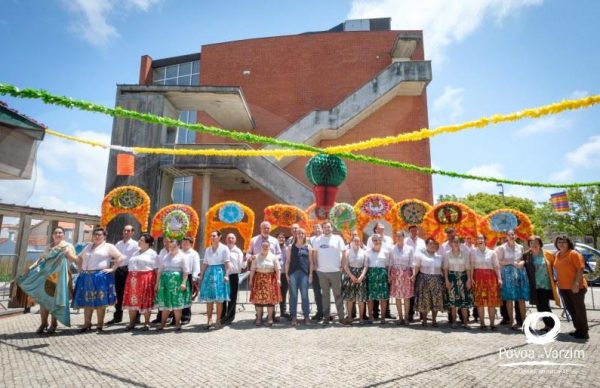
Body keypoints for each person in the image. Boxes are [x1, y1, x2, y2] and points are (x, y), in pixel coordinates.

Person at [23, 226, 77, 334]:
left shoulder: (68, 246)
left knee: (55, 302)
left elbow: (71, 260)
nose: (58, 234)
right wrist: (31, 268)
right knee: (43, 301)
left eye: (60, 232)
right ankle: (44, 323)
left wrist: (67, 254)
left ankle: (53, 324)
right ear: (52, 235)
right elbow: (41, 260)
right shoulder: (49, 246)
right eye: (56, 232)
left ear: (63, 234)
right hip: (46, 277)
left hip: (60, 278)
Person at [73, 227, 124, 333]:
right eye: (95, 234)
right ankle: (87, 323)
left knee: (100, 301)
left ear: (104, 236)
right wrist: (79, 270)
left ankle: (100, 324)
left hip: (100, 276)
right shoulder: (88, 246)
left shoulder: (108, 246)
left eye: (99, 234)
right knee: (87, 300)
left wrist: (112, 269)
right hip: (86, 276)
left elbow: (120, 257)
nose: (97, 236)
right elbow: (79, 258)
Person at [551, 235, 589, 340]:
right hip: (563, 287)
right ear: (556, 244)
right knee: (572, 310)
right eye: (559, 242)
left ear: (568, 243)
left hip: (576, 287)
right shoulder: (557, 255)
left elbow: (580, 269)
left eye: (564, 242)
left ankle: (584, 332)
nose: (561, 244)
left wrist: (576, 283)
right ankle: (578, 329)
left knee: (579, 309)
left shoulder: (573, 254)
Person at [522, 235, 561, 332]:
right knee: (539, 306)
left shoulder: (547, 254)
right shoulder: (527, 255)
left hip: (546, 284)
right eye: (531, 243)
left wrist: (558, 279)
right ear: (529, 245)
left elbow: (556, 266)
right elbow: (522, 264)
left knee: (544, 305)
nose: (534, 245)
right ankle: (548, 325)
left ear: (540, 244)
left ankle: (552, 325)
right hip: (534, 285)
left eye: (536, 243)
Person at [122, 233, 158, 331]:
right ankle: (131, 322)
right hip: (133, 278)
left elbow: (156, 269)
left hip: (145, 278)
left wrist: (156, 282)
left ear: (147, 243)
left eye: (141, 240)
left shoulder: (152, 253)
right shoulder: (136, 252)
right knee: (132, 300)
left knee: (145, 300)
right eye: (139, 240)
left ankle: (146, 323)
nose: (139, 241)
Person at [154, 237, 191, 332]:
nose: (171, 249)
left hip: (177, 283)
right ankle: (162, 323)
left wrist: (183, 283)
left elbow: (186, 271)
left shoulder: (183, 256)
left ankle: (178, 324)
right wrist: (157, 284)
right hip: (165, 284)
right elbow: (160, 271)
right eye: (170, 247)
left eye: (173, 247)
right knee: (165, 303)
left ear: (178, 246)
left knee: (177, 304)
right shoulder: (166, 256)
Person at [313, 221, 346, 325]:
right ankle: (326, 317)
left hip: (335, 271)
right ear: (322, 229)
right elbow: (314, 253)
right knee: (325, 295)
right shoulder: (318, 240)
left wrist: (342, 265)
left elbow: (344, 252)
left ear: (332, 228)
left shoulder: (338, 238)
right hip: (322, 272)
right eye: (325, 227)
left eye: (328, 227)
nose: (327, 229)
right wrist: (315, 266)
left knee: (338, 294)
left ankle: (341, 317)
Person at [496, 230, 529, 330]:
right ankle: (510, 321)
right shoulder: (501, 248)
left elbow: (523, 258)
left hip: (519, 274)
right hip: (507, 275)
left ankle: (523, 321)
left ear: (515, 235)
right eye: (509, 234)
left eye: (513, 234)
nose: (511, 236)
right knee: (509, 299)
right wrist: (511, 261)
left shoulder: (520, 247)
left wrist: (522, 263)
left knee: (521, 298)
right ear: (506, 236)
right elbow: (498, 262)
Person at [199, 230, 231, 330]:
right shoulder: (208, 249)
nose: (212, 237)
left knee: (219, 299)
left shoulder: (224, 248)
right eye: (211, 236)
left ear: (219, 237)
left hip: (219, 273)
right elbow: (205, 263)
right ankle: (209, 319)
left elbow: (227, 264)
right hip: (209, 274)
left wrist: (226, 275)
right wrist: (201, 275)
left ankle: (218, 320)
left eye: (214, 235)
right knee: (209, 299)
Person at [108, 224, 139, 325]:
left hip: (130, 270)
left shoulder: (135, 244)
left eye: (129, 231)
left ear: (132, 233)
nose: (126, 232)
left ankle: (136, 317)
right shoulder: (118, 244)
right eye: (125, 230)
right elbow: (115, 256)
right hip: (119, 270)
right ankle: (117, 316)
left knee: (133, 293)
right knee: (118, 293)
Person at [471, 234, 502, 330]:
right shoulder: (473, 253)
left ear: (485, 240)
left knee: (491, 302)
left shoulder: (492, 253)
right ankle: (482, 324)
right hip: (478, 278)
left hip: (491, 279)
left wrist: (499, 278)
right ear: (476, 241)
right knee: (480, 302)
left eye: (482, 238)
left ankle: (492, 324)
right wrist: (471, 278)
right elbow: (471, 266)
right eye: (478, 238)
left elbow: (496, 266)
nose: (480, 240)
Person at [412, 238, 445, 327]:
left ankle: (434, 320)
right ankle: (425, 320)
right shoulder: (421, 255)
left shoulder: (439, 257)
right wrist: (414, 276)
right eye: (430, 244)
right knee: (424, 300)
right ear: (426, 245)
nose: (432, 245)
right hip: (424, 280)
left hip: (437, 280)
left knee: (436, 300)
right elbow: (417, 267)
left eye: (434, 244)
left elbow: (443, 269)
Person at [249, 240, 282, 326]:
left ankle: (270, 318)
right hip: (259, 280)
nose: (265, 247)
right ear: (261, 247)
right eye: (263, 246)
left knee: (270, 301)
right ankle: (259, 318)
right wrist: (250, 280)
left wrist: (278, 279)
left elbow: (278, 269)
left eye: (267, 246)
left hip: (270, 280)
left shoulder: (274, 257)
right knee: (258, 300)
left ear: (269, 247)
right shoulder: (255, 257)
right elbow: (252, 269)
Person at [443, 237, 473, 329]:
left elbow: (468, 268)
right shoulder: (447, 254)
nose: (455, 243)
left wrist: (469, 280)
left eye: (457, 242)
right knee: (452, 302)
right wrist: (446, 280)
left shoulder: (465, 254)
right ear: (451, 244)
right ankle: (454, 322)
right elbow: (445, 269)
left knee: (464, 301)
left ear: (460, 244)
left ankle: (465, 322)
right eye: (454, 242)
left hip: (463, 278)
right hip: (452, 278)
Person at [285, 228, 312, 326]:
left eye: (302, 233)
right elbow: (287, 261)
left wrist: (311, 274)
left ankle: (306, 316)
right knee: (293, 296)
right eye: (299, 233)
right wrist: (287, 274)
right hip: (293, 274)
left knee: (305, 295)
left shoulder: (308, 247)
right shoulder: (290, 247)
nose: (300, 235)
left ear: (305, 235)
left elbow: (310, 262)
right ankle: (294, 317)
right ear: (296, 235)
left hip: (304, 274)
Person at [388, 230, 414, 325]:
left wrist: (413, 274)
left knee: (406, 297)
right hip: (395, 273)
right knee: (397, 297)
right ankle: (400, 317)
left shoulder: (410, 248)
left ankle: (406, 318)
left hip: (406, 273)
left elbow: (412, 262)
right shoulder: (392, 249)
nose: (398, 238)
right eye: (397, 236)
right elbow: (390, 263)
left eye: (400, 236)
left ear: (404, 237)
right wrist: (389, 274)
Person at [341, 235, 368, 325]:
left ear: (360, 242)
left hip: (361, 275)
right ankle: (349, 317)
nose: (356, 242)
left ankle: (361, 318)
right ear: (351, 242)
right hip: (350, 275)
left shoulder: (364, 252)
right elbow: (345, 266)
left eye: (358, 241)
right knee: (350, 298)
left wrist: (361, 276)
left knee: (361, 298)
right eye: (355, 241)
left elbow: (365, 266)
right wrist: (351, 276)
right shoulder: (347, 252)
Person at [221, 233, 246, 324]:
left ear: (235, 240)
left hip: (234, 276)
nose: (230, 239)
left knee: (232, 297)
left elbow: (241, 265)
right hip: (223, 276)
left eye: (232, 238)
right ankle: (222, 315)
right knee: (223, 297)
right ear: (226, 240)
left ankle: (230, 317)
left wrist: (247, 261)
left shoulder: (238, 251)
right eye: (229, 238)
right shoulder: (222, 250)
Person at [365, 234, 389, 324]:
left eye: (378, 239)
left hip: (382, 275)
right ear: (372, 241)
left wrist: (388, 276)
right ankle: (370, 317)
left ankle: (383, 318)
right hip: (371, 274)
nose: (376, 241)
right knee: (370, 297)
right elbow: (366, 265)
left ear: (381, 240)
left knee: (383, 297)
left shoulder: (386, 252)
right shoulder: (367, 252)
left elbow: (387, 265)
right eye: (374, 240)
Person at [404, 225, 425, 321]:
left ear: (418, 231)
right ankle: (410, 314)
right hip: (409, 269)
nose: (414, 232)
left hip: (420, 269)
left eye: (415, 230)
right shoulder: (405, 241)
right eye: (412, 230)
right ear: (409, 231)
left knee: (421, 292)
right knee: (410, 293)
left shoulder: (422, 242)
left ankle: (422, 313)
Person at [180, 236, 201, 325]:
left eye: (186, 242)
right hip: (178, 275)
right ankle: (175, 316)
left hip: (189, 276)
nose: (184, 244)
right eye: (183, 242)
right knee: (178, 296)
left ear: (191, 244)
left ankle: (186, 316)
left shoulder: (194, 253)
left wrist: (194, 277)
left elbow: (196, 266)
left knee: (187, 297)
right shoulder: (179, 252)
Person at [308, 223, 324, 321]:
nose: (317, 229)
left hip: (326, 269)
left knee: (326, 292)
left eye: (318, 227)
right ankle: (319, 311)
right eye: (315, 228)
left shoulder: (326, 238)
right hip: (315, 270)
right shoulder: (311, 240)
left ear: (322, 229)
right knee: (317, 292)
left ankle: (327, 312)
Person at [277, 231, 290, 320]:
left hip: (284, 274)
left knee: (283, 293)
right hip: (276, 274)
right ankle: (272, 312)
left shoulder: (287, 249)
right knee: (274, 293)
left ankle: (283, 311)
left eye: (283, 237)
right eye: (279, 237)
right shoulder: (273, 248)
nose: (281, 239)